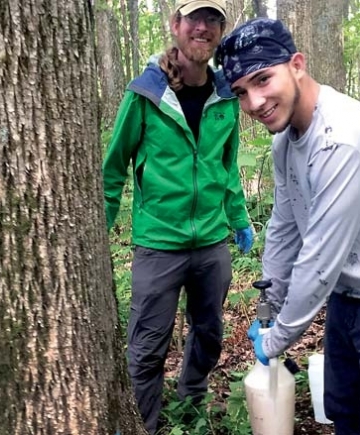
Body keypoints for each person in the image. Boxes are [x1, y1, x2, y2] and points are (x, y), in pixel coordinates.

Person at [216, 18, 360, 435]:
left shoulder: (343, 140)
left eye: (263, 79)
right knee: (344, 413)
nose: (254, 103)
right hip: (349, 296)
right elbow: (286, 225)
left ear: (298, 65)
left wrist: (276, 341)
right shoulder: (285, 141)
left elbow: (320, 259)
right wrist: (270, 302)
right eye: (241, 93)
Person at [102, 1, 253, 432]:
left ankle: (191, 407)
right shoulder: (145, 93)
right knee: (147, 346)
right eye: (194, 19)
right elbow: (114, 168)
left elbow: (227, 167)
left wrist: (239, 218)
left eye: (213, 20)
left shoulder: (226, 95)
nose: (203, 28)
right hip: (158, 245)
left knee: (208, 336)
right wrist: (101, 229)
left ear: (221, 31)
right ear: (176, 25)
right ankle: (144, 425)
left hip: (210, 242)